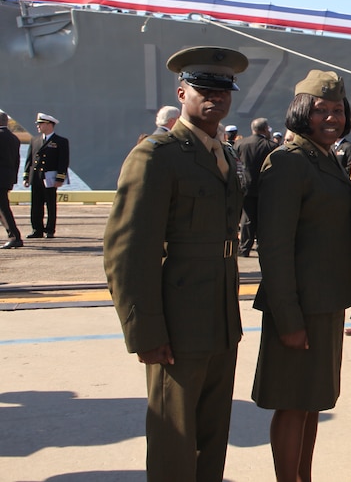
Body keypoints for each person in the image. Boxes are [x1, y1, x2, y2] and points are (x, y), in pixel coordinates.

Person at [102, 46, 249, 481]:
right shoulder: (156, 155)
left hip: (222, 316)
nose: (215, 99)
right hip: (176, 320)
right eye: (204, 89)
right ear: (181, 92)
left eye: (223, 91)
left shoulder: (226, 154)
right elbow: (126, 250)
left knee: (212, 431)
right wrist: (145, 331)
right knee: (174, 435)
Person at [252, 70, 351, 482]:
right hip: (299, 307)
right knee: (292, 403)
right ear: (301, 111)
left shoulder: (324, 157)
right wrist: (289, 319)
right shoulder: (288, 162)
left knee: (312, 401)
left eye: (337, 110)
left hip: (325, 304)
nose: (332, 117)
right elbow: (275, 248)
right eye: (320, 110)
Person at [22, 112, 69, 240]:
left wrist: (60, 178)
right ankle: (37, 229)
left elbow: (63, 161)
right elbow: (29, 160)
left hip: (50, 178)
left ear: (49, 125)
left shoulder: (61, 141)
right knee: (36, 205)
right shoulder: (34, 140)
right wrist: (26, 177)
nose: (38, 126)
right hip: (36, 177)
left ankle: (49, 230)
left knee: (50, 204)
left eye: (40, 124)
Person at [237, 117, 276, 257]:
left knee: (247, 218)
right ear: (265, 129)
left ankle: (244, 248)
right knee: (263, 218)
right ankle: (262, 246)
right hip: (264, 187)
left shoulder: (241, 144)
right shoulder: (270, 146)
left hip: (245, 186)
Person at [1, 111, 23, 248]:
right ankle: (14, 235)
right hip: (7, 178)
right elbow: (17, 161)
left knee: (3, 208)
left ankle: (15, 236)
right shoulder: (14, 138)